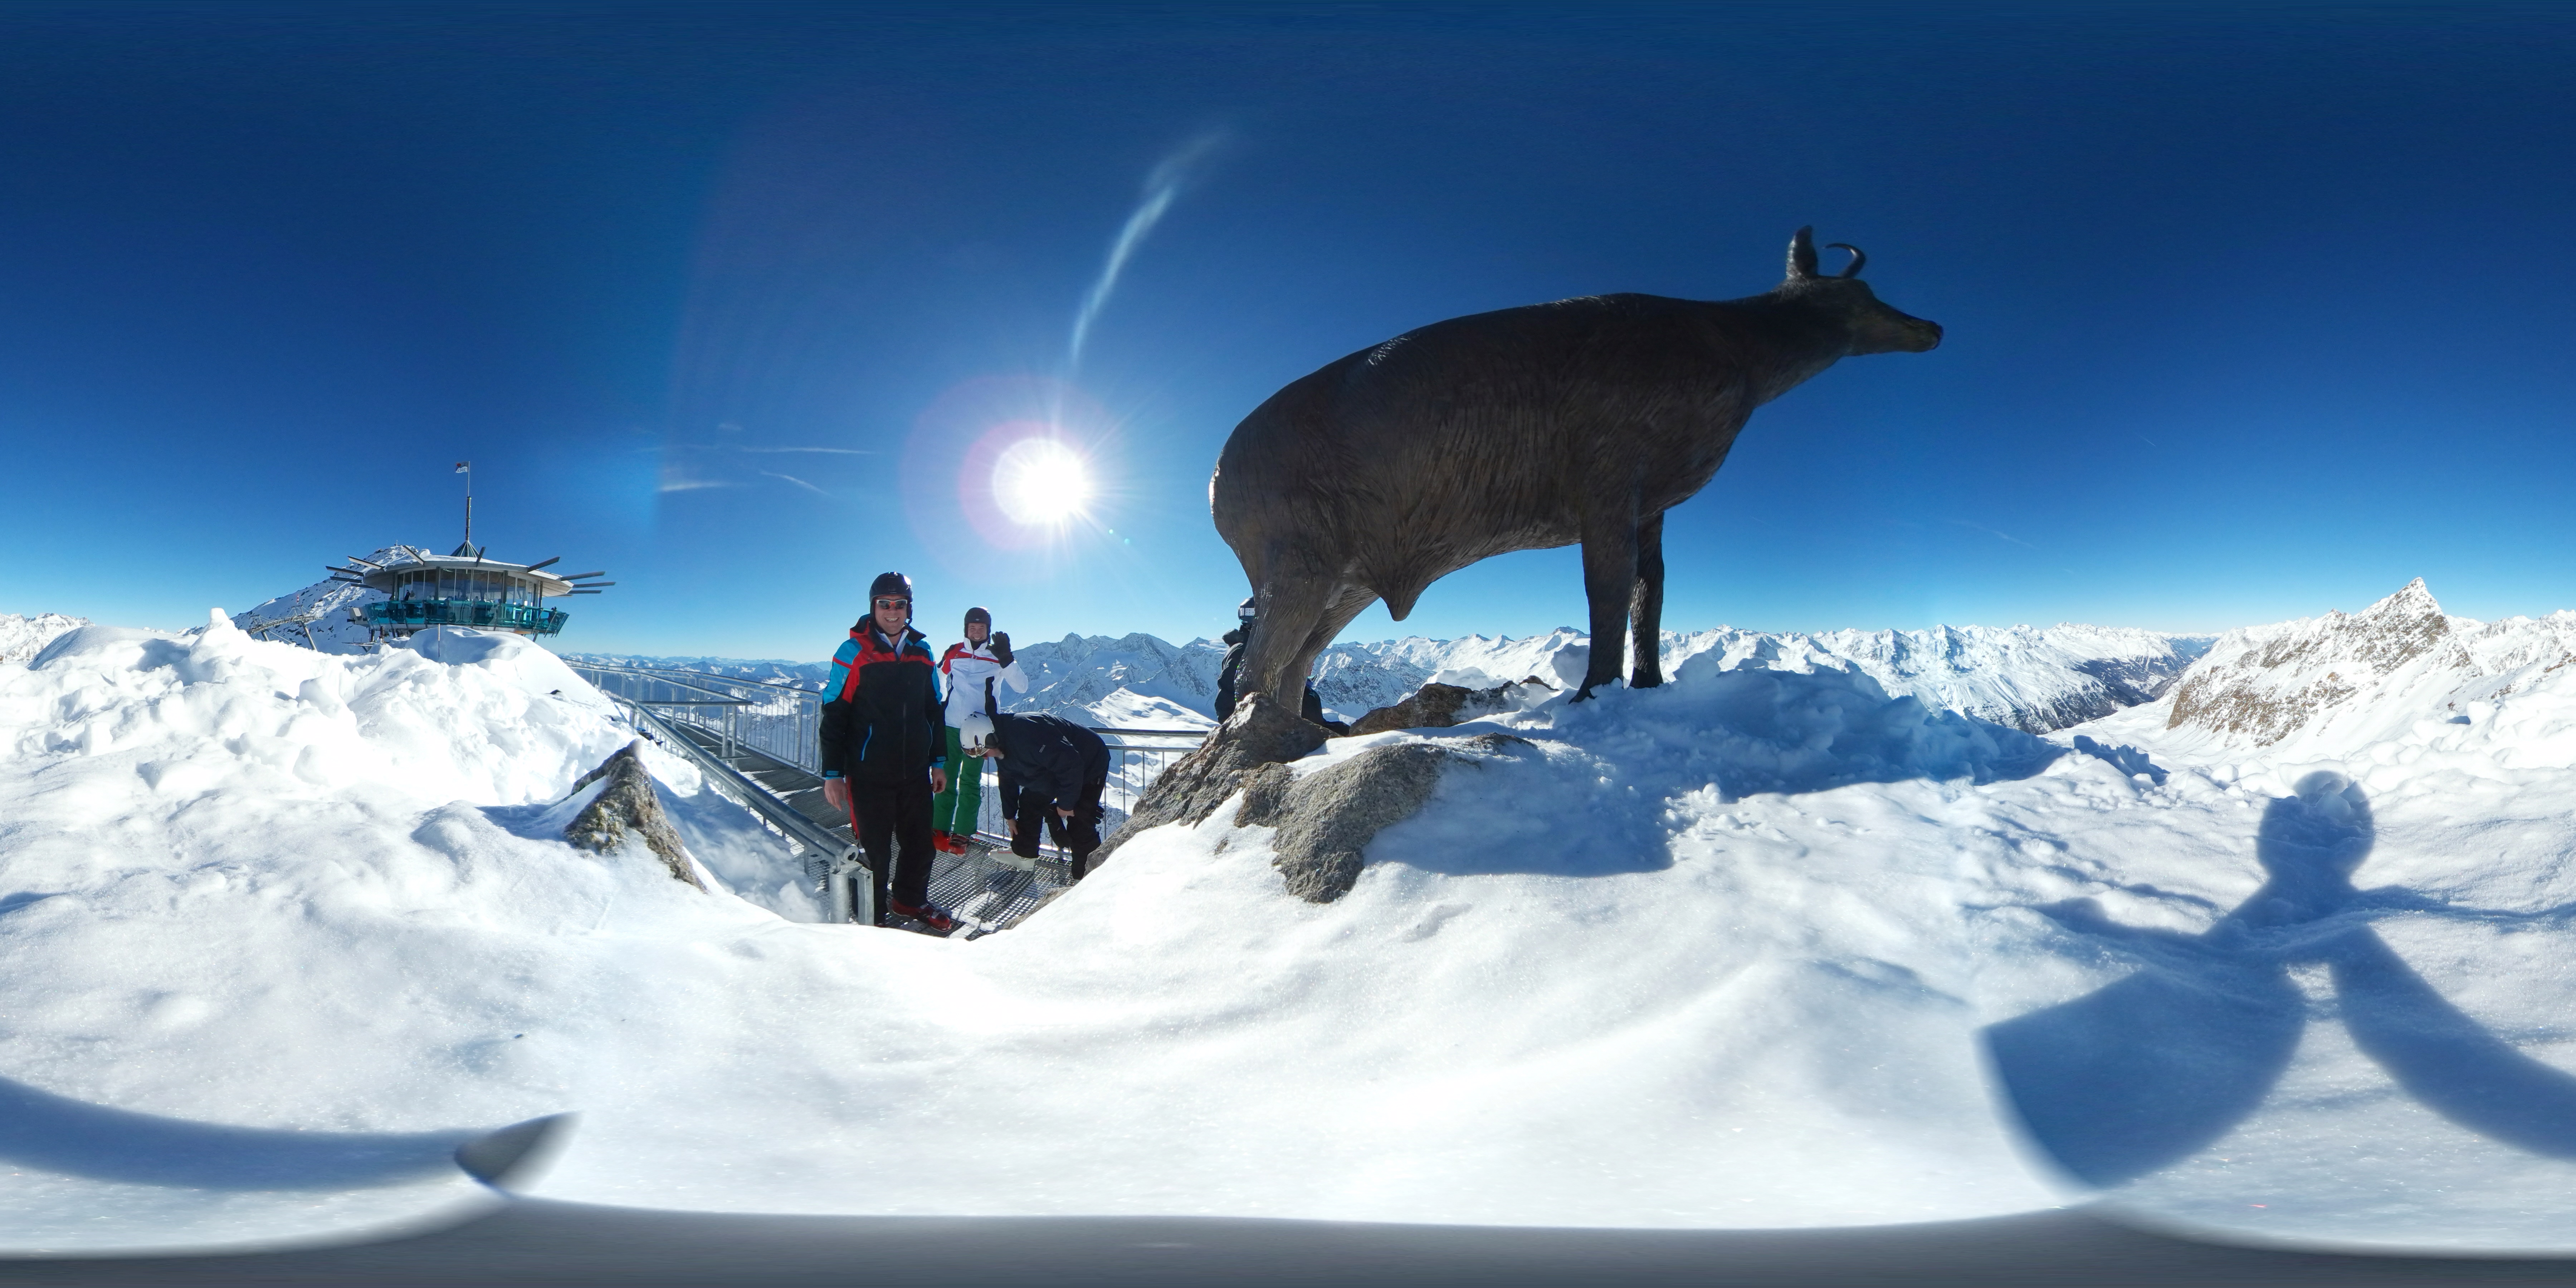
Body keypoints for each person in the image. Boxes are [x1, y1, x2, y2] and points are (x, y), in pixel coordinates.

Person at [819, 571, 952, 931]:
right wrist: (832, 774)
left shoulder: (922, 652)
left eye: (900, 605)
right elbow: (834, 713)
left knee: (920, 846)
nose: (892, 612)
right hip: (868, 774)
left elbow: (932, 709)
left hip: (914, 773)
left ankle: (909, 901)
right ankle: (870, 919)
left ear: (909, 608)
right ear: (873, 607)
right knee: (875, 854)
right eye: (885, 605)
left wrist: (938, 762)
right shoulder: (853, 653)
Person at [931, 606, 1027, 853]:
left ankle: (962, 834)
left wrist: (1007, 658)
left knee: (971, 781)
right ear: (966, 629)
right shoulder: (955, 651)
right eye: (972, 628)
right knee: (945, 779)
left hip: (980, 731)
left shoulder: (997, 656)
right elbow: (938, 675)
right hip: (951, 725)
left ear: (988, 630)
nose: (976, 632)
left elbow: (1022, 687)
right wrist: (940, 700)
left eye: (981, 628)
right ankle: (938, 829)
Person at [978, 705, 1111, 880]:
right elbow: (1008, 779)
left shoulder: (1028, 734)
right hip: (1058, 766)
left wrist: (1065, 805)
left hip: (1091, 762)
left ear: (990, 739)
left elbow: (1071, 765)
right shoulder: (1003, 744)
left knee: (1081, 820)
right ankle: (1024, 854)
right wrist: (1009, 815)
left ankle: (1087, 877)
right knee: (1030, 801)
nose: (985, 757)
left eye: (982, 752)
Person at [1213, 596, 1257, 719]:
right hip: (1245, 721)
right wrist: (1231, 723)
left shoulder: (1245, 646)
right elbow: (1228, 686)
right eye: (1249, 612)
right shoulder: (1243, 650)